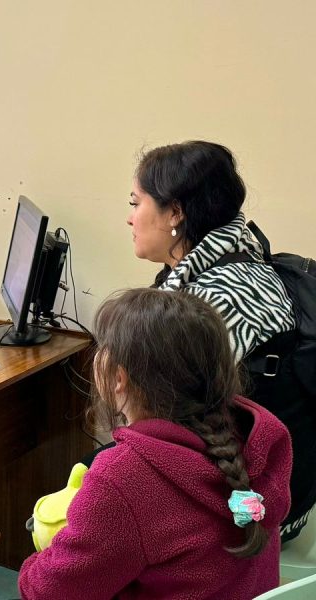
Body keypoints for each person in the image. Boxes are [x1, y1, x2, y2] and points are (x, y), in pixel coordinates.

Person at [18, 288, 292, 599]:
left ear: (118, 377)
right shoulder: (255, 437)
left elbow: (47, 592)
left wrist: (44, 552)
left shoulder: (122, 482)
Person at [128, 140, 314, 541]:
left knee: (94, 489)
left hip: (257, 513)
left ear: (175, 212)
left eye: (135, 202)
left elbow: (160, 427)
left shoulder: (216, 300)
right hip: (277, 487)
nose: (130, 219)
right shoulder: (239, 263)